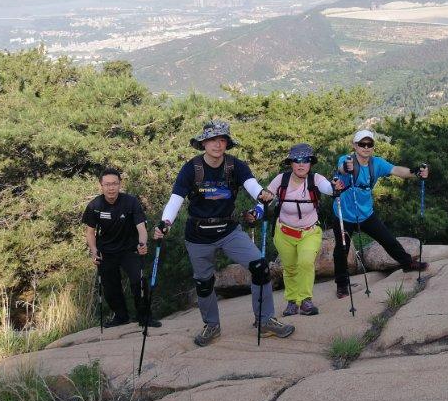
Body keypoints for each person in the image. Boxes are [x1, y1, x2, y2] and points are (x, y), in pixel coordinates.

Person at [154, 119, 295, 346]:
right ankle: (212, 325)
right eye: (212, 140)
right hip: (198, 234)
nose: (217, 145)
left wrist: (262, 195)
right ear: (203, 144)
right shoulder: (191, 168)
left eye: (222, 140)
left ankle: (265, 320)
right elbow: (176, 199)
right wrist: (165, 222)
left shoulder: (235, 166)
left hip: (229, 230)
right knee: (204, 282)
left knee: (260, 266)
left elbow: (252, 185)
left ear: (227, 144)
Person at [332, 130, 429, 298]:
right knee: (342, 249)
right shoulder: (346, 160)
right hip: (344, 214)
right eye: (362, 144)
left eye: (369, 144)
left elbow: (398, 170)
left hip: (366, 214)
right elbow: (342, 168)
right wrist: (347, 168)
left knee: (388, 239)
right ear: (355, 146)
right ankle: (341, 285)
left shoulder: (377, 163)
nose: (366, 147)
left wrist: (416, 172)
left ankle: (407, 263)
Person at [251, 144, 342, 317]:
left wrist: (335, 188)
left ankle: (306, 300)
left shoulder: (315, 179)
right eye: (297, 161)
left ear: (311, 163)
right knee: (290, 268)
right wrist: (256, 212)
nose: (301, 165)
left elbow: (328, 188)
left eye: (306, 160)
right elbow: (265, 198)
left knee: (306, 262)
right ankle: (292, 302)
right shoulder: (281, 180)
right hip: (284, 232)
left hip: (309, 231)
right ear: (291, 163)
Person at [82, 168, 160, 328]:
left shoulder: (131, 202)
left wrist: (143, 243)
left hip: (129, 249)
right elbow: (90, 233)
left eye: (114, 184)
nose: (111, 188)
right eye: (107, 184)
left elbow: (141, 228)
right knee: (110, 286)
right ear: (101, 186)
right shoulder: (94, 205)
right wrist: (94, 251)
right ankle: (121, 316)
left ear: (120, 184)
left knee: (138, 281)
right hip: (106, 251)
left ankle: (144, 317)